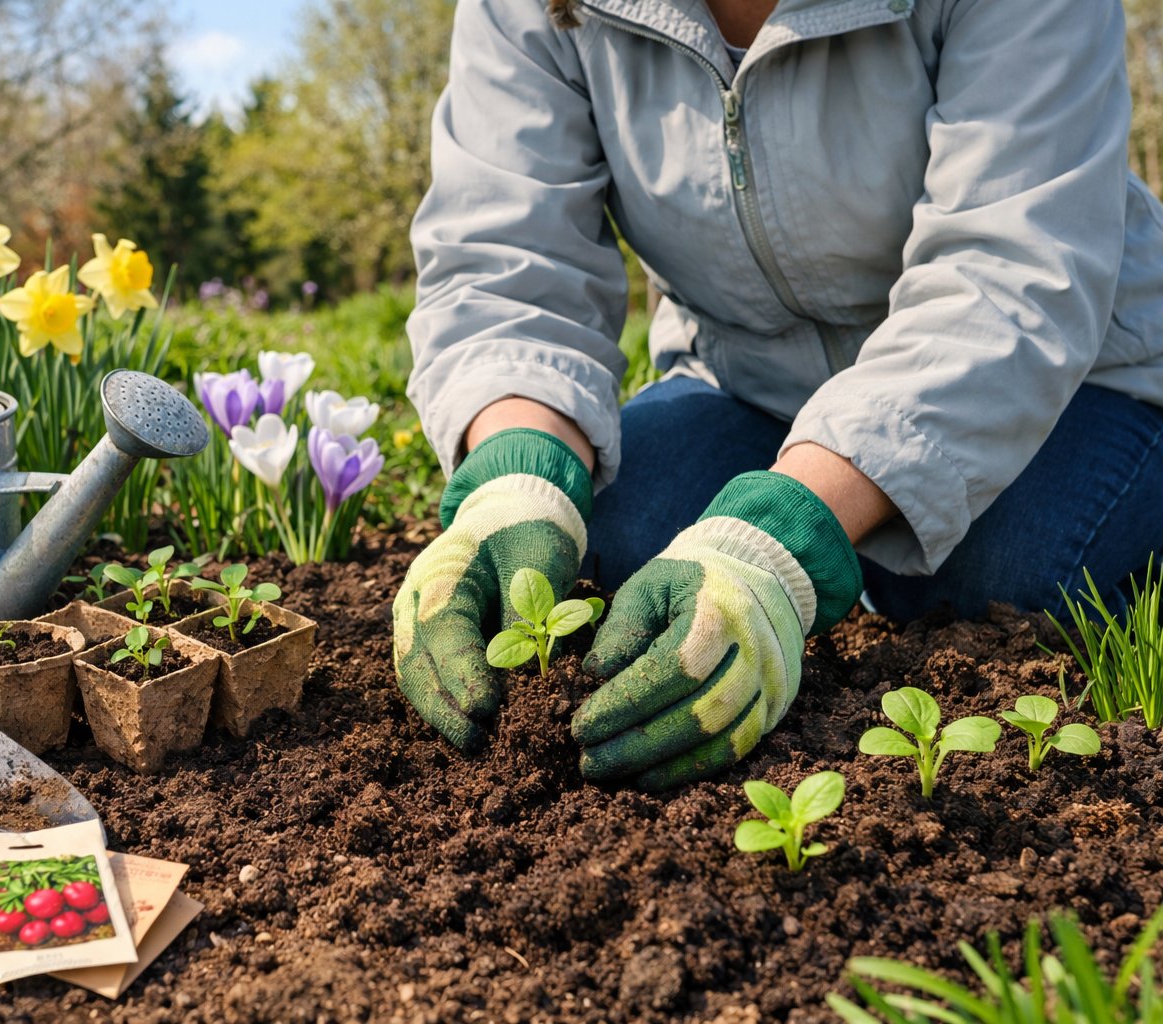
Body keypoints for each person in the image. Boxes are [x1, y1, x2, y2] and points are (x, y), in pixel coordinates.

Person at [393, 0, 1163, 790]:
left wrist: (781, 537)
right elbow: (508, 259)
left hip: (1062, 376)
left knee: (989, 587)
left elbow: (1009, 272)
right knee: (611, 551)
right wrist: (517, 480)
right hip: (752, 382)